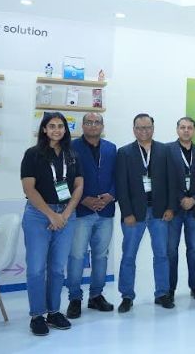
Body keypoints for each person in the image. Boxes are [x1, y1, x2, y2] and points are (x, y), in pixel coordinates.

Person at [20, 112, 83, 336]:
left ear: (65, 130)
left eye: (60, 126)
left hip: (66, 215)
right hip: (39, 215)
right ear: (44, 129)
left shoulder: (72, 155)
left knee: (57, 268)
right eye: (52, 126)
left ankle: (54, 312)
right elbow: (29, 189)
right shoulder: (33, 154)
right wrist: (51, 215)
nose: (57, 130)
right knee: (37, 268)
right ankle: (37, 315)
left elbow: (78, 186)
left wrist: (64, 214)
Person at [115, 113, 174, 312]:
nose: (144, 131)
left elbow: (172, 182)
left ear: (153, 128)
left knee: (161, 255)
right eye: (139, 128)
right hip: (134, 214)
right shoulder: (124, 153)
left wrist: (170, 208)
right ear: (134, 130)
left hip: (159, 212)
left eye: (147, 127)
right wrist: (126, 213)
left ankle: (162, 293)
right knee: (128, 256)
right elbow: (121, 185)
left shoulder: (164, 150)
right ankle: (127, 296)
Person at [66, 113, 117, 319]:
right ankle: (74, 298)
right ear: (83, 125)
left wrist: (111, 195)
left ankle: (96, 295)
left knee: (101, 256)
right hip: (81, 211)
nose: (93, 125)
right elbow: (66, 178)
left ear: (102, 126)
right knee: (77, 255)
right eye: (89, 122)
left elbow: (118, 176)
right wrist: (83, 199)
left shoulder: (111, 148)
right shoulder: (71, 147)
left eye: (97, 122)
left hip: (105, 210)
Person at [167, 117, 195, 302]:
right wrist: (181, 198)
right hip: (174, 209)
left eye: (190, 127)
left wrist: (194, 199)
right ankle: (169, 289)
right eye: (182, 127)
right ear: (177, 129)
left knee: (194, 249)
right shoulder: (167, 150)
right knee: (171, 250)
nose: (186, 130)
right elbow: (165, 180)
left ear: (194, 131)